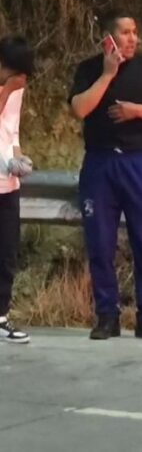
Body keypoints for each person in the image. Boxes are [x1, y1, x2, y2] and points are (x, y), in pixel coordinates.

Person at [69, 11, 142, 341]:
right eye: (125, 32)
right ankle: (107, 317)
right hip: (100, 164)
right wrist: (107, 75)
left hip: (137, 163)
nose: (133, 39)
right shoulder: (89, 69)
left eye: (135, 32)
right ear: (108, 38)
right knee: (100, 245)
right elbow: (79, 109)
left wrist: (136, 111)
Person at [0, 36, 35, 344]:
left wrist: (19, 158)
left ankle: (0, 317)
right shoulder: (9, 88)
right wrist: (7, 90)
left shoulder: (17, 89)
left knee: (7, 254)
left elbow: (12, 130)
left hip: (7, 182)